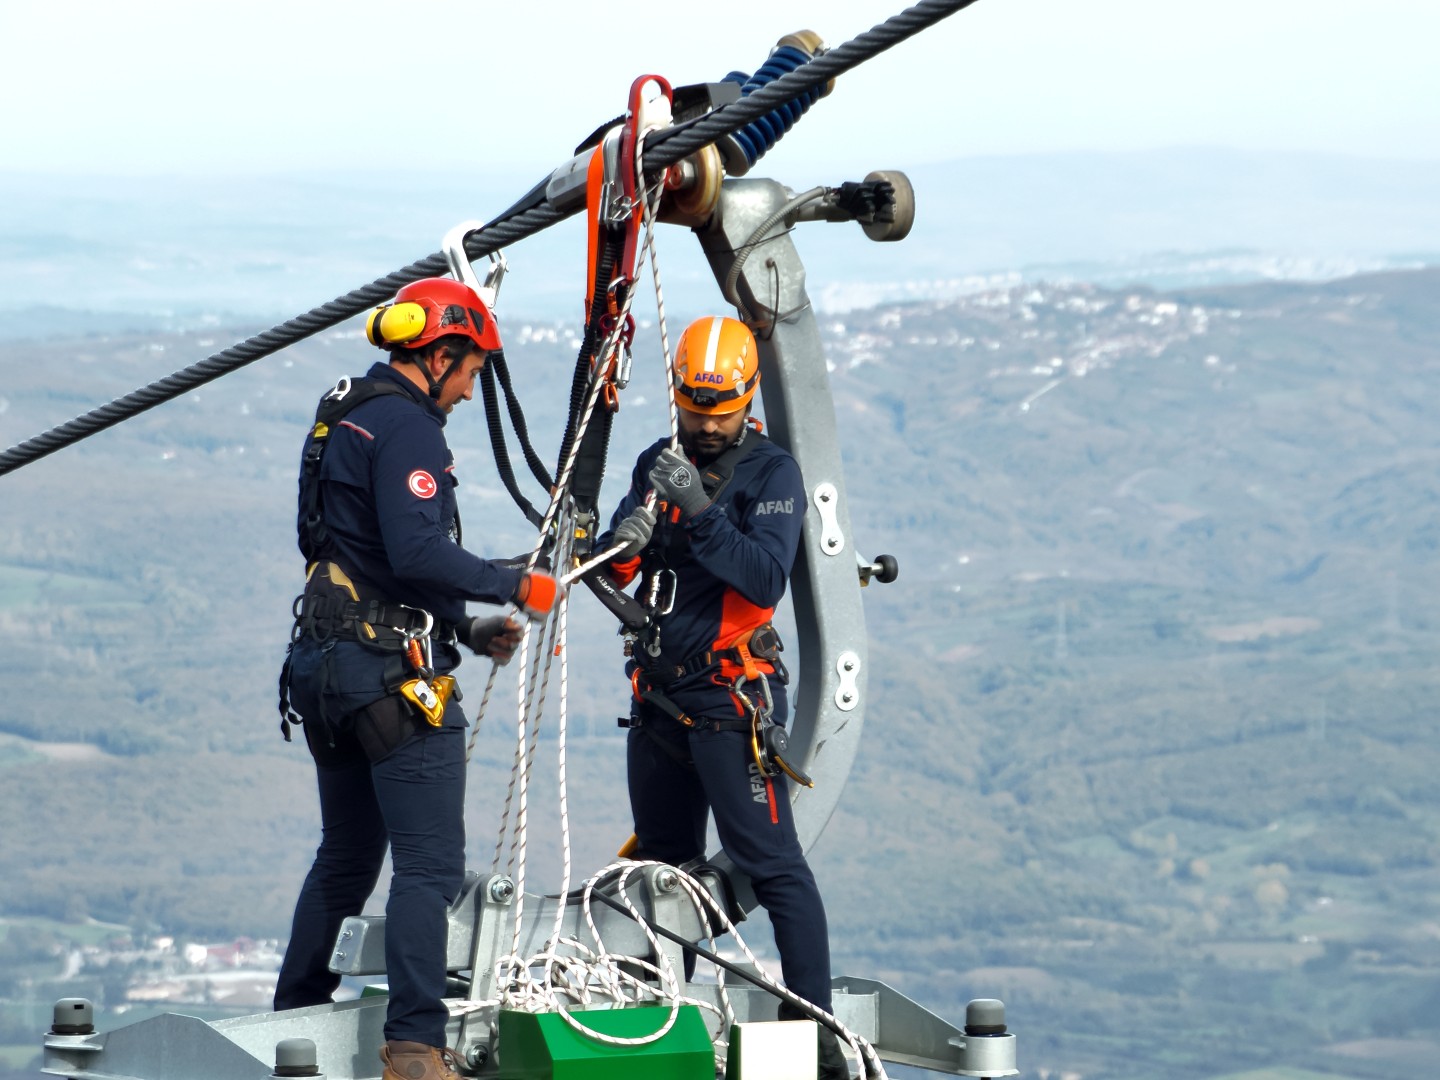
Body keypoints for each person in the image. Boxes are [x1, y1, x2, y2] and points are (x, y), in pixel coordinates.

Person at [274, 276, 559, 1080]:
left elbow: (355, 552)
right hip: (388, 680)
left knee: (345, 856)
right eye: (469, 371)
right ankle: (413, 1047)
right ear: (438, 357)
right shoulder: (408, 429)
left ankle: (292, 1018)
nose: (468, 390)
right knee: (427, 868)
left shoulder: (345, 413)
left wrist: (464, 628)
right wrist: (515, 586)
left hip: (324, 669)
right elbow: (416, 551)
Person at [598, 315, 849, 1080]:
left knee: (770, 862)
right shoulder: (659, 459)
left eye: (721, 411)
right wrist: (623, 544)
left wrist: (701, 512)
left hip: (730, 703)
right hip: (660, 698)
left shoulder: (772, 474)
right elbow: (619, 569)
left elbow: (764, 577)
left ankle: (816, 1034)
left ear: (747, 399)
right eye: (694, 408)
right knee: (662, 868)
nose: (706, 426)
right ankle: (660, 1026)